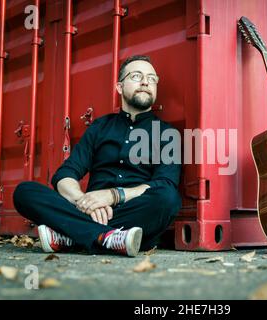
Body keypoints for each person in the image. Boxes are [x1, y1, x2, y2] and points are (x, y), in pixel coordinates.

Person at [13, 55, 182, 257]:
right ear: (119, 87)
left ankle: (72, 236)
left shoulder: (166, 134)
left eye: (152, 78)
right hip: (91, 212)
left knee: (167, 199)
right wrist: (84, 202)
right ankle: (108, 238)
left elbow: (165, 183)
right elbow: (65, 174)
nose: (146, 82)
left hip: (134, 212)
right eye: (137, 76)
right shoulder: (100, 127)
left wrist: (112, 195)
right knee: (25, 191)